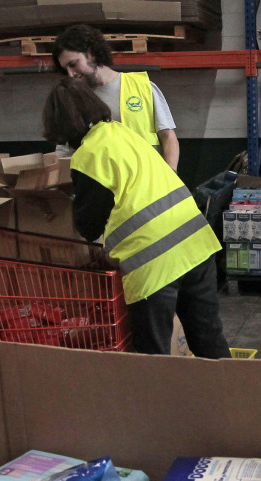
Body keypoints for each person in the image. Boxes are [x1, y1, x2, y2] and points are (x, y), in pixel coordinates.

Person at [43, 77, 229, 358]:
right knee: (208, 338)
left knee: (151, 356)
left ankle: (156, 404)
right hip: (196, 245)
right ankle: (231, 399)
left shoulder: (88, 156)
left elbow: (89, 225)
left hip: (153, 263)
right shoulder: (122, 132)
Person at [51, 24, 181, 170]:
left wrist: (170, 177)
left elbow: (168, 137)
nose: (71, 74)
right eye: (65, 69)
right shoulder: (72, 99)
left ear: (91, 53)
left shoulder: (142, 86)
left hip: (149, 187)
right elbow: (64, 152)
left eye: (73, 64)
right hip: (103, 189)